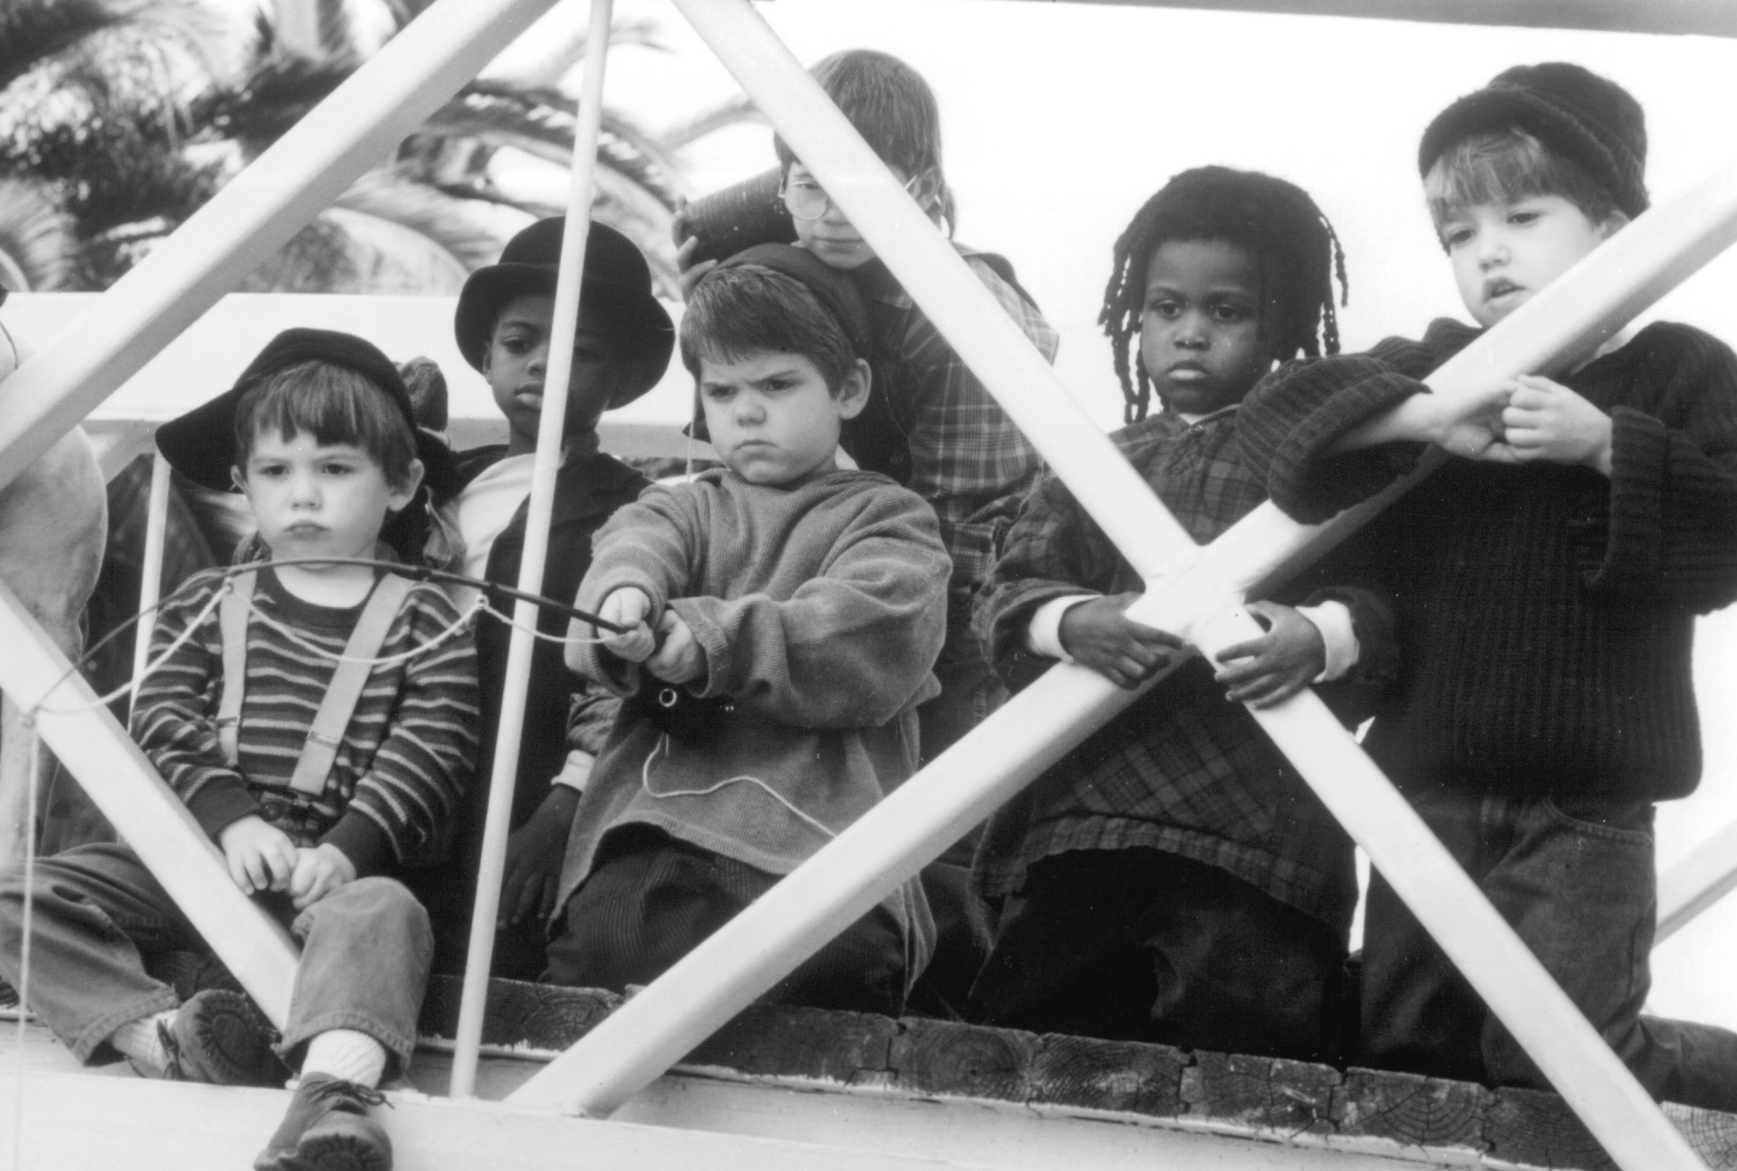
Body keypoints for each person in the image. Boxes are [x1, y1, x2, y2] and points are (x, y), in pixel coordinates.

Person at [1237, 64, 1737, 1108]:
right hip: (1428, 778)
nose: (1488, 252)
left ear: (1611, 227)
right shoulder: (1436, 364)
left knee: (1562, 1063)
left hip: (1586, 798)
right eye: (1457, 235)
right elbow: (1272, 422)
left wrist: (1610, 447)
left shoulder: (1680, 369)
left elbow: (1728, 542)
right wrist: (1420, 415)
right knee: (1406, 1047)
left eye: (1521, 214)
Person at [0, 329, 480, 1171]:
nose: (304, 495)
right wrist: (231, 823)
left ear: (401, 482)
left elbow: (433, 747)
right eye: (277, 472)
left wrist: (351, 850)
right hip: (203, 860)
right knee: (14, 897)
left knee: (391, 915)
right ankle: (162, 1033)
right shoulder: (212, 600)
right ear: (243, 484)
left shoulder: (430, 617)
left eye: (336, 468)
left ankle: (331, 1100)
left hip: (334, 872)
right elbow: (165, 715)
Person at [967, 167, 1387, 1061]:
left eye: (1226, 311)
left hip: (1252, 838)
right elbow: (1008, 592)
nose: (1189, 332)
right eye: (1164, 308)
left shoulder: (1319, 466)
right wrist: (1073, 619)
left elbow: (1386, 602)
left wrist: (1321, 635)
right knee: (1028, 1055)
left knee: (1242, 1075)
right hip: (1078, 824)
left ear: (1281, 322)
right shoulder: (1096, 462)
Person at [682, 48, 1060, 1013]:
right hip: (801, 588)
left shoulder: (962, 310)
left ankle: (934, 1031)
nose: (833, 204)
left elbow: (971, 520)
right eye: (807, 177)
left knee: (936, 840)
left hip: (948, 601)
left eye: (867, 179)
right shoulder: (778, 276)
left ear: (922, 183)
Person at [544, 246, 951, 1014]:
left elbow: (871, 633)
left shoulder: (892, 517)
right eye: (723, 390)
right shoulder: (682, 503)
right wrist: (625, 602)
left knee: (824, 996)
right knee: (602, 959)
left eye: (777, 383)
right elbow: (632, 547)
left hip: (825, 857)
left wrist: (709, 638)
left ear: (850, 387)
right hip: (656, 836)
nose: (748, 410)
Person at [422, 216, 673, 978]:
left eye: (579, 352)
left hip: (532, 770)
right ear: (486, 356)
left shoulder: (636, 509)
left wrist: (567, 801)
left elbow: (623, 677)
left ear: (620, 376)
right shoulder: (433, 482)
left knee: (500, 948)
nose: (542, 366)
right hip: (415, 758)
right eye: (520, 343)